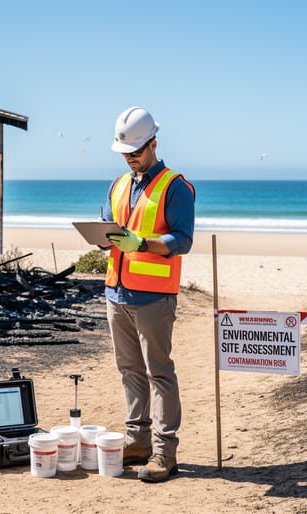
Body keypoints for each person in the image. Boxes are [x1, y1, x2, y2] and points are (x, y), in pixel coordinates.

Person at [101, 106, 195, 483]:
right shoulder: (118, 185)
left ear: (154, 144)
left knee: (160, 373)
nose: (130, 158)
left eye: (136, 152)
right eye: (125, 152)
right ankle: (137, 442)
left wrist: (141, 243)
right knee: (129, 371)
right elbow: (108, 225)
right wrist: (102, 239)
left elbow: (183, 240)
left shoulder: (175, 186)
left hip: (154, 298)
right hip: (116, 293)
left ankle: (163, 453)